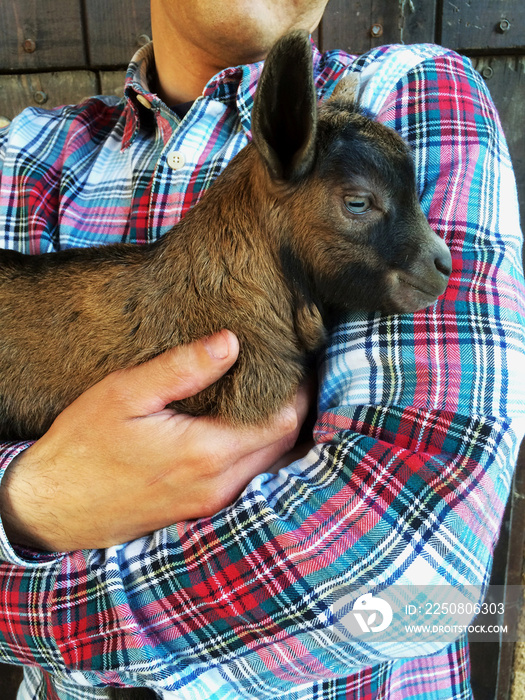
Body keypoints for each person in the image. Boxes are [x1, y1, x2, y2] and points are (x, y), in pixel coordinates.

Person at [0, 0, 524, 698]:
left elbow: (412, 584)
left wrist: (31, 536)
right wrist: (33, 502)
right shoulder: (29, 153)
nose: (435, 255)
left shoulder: (409, 93)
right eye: (361, 206)